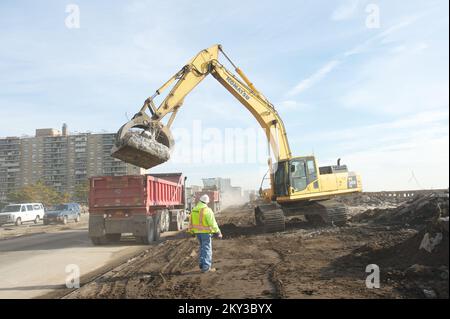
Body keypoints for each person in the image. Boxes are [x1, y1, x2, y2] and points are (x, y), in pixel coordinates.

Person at [188, 194, 222, 273]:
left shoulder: (194, 209)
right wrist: (218, 232)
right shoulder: (207, 210)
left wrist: (191, 231)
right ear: (206, 202)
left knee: (202, 247)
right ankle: (206, 267)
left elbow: (191, 222)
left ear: (200, 201)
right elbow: (213, 223)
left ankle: (202, 264)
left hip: (197, 233)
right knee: (207, 249)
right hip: (205, 233)